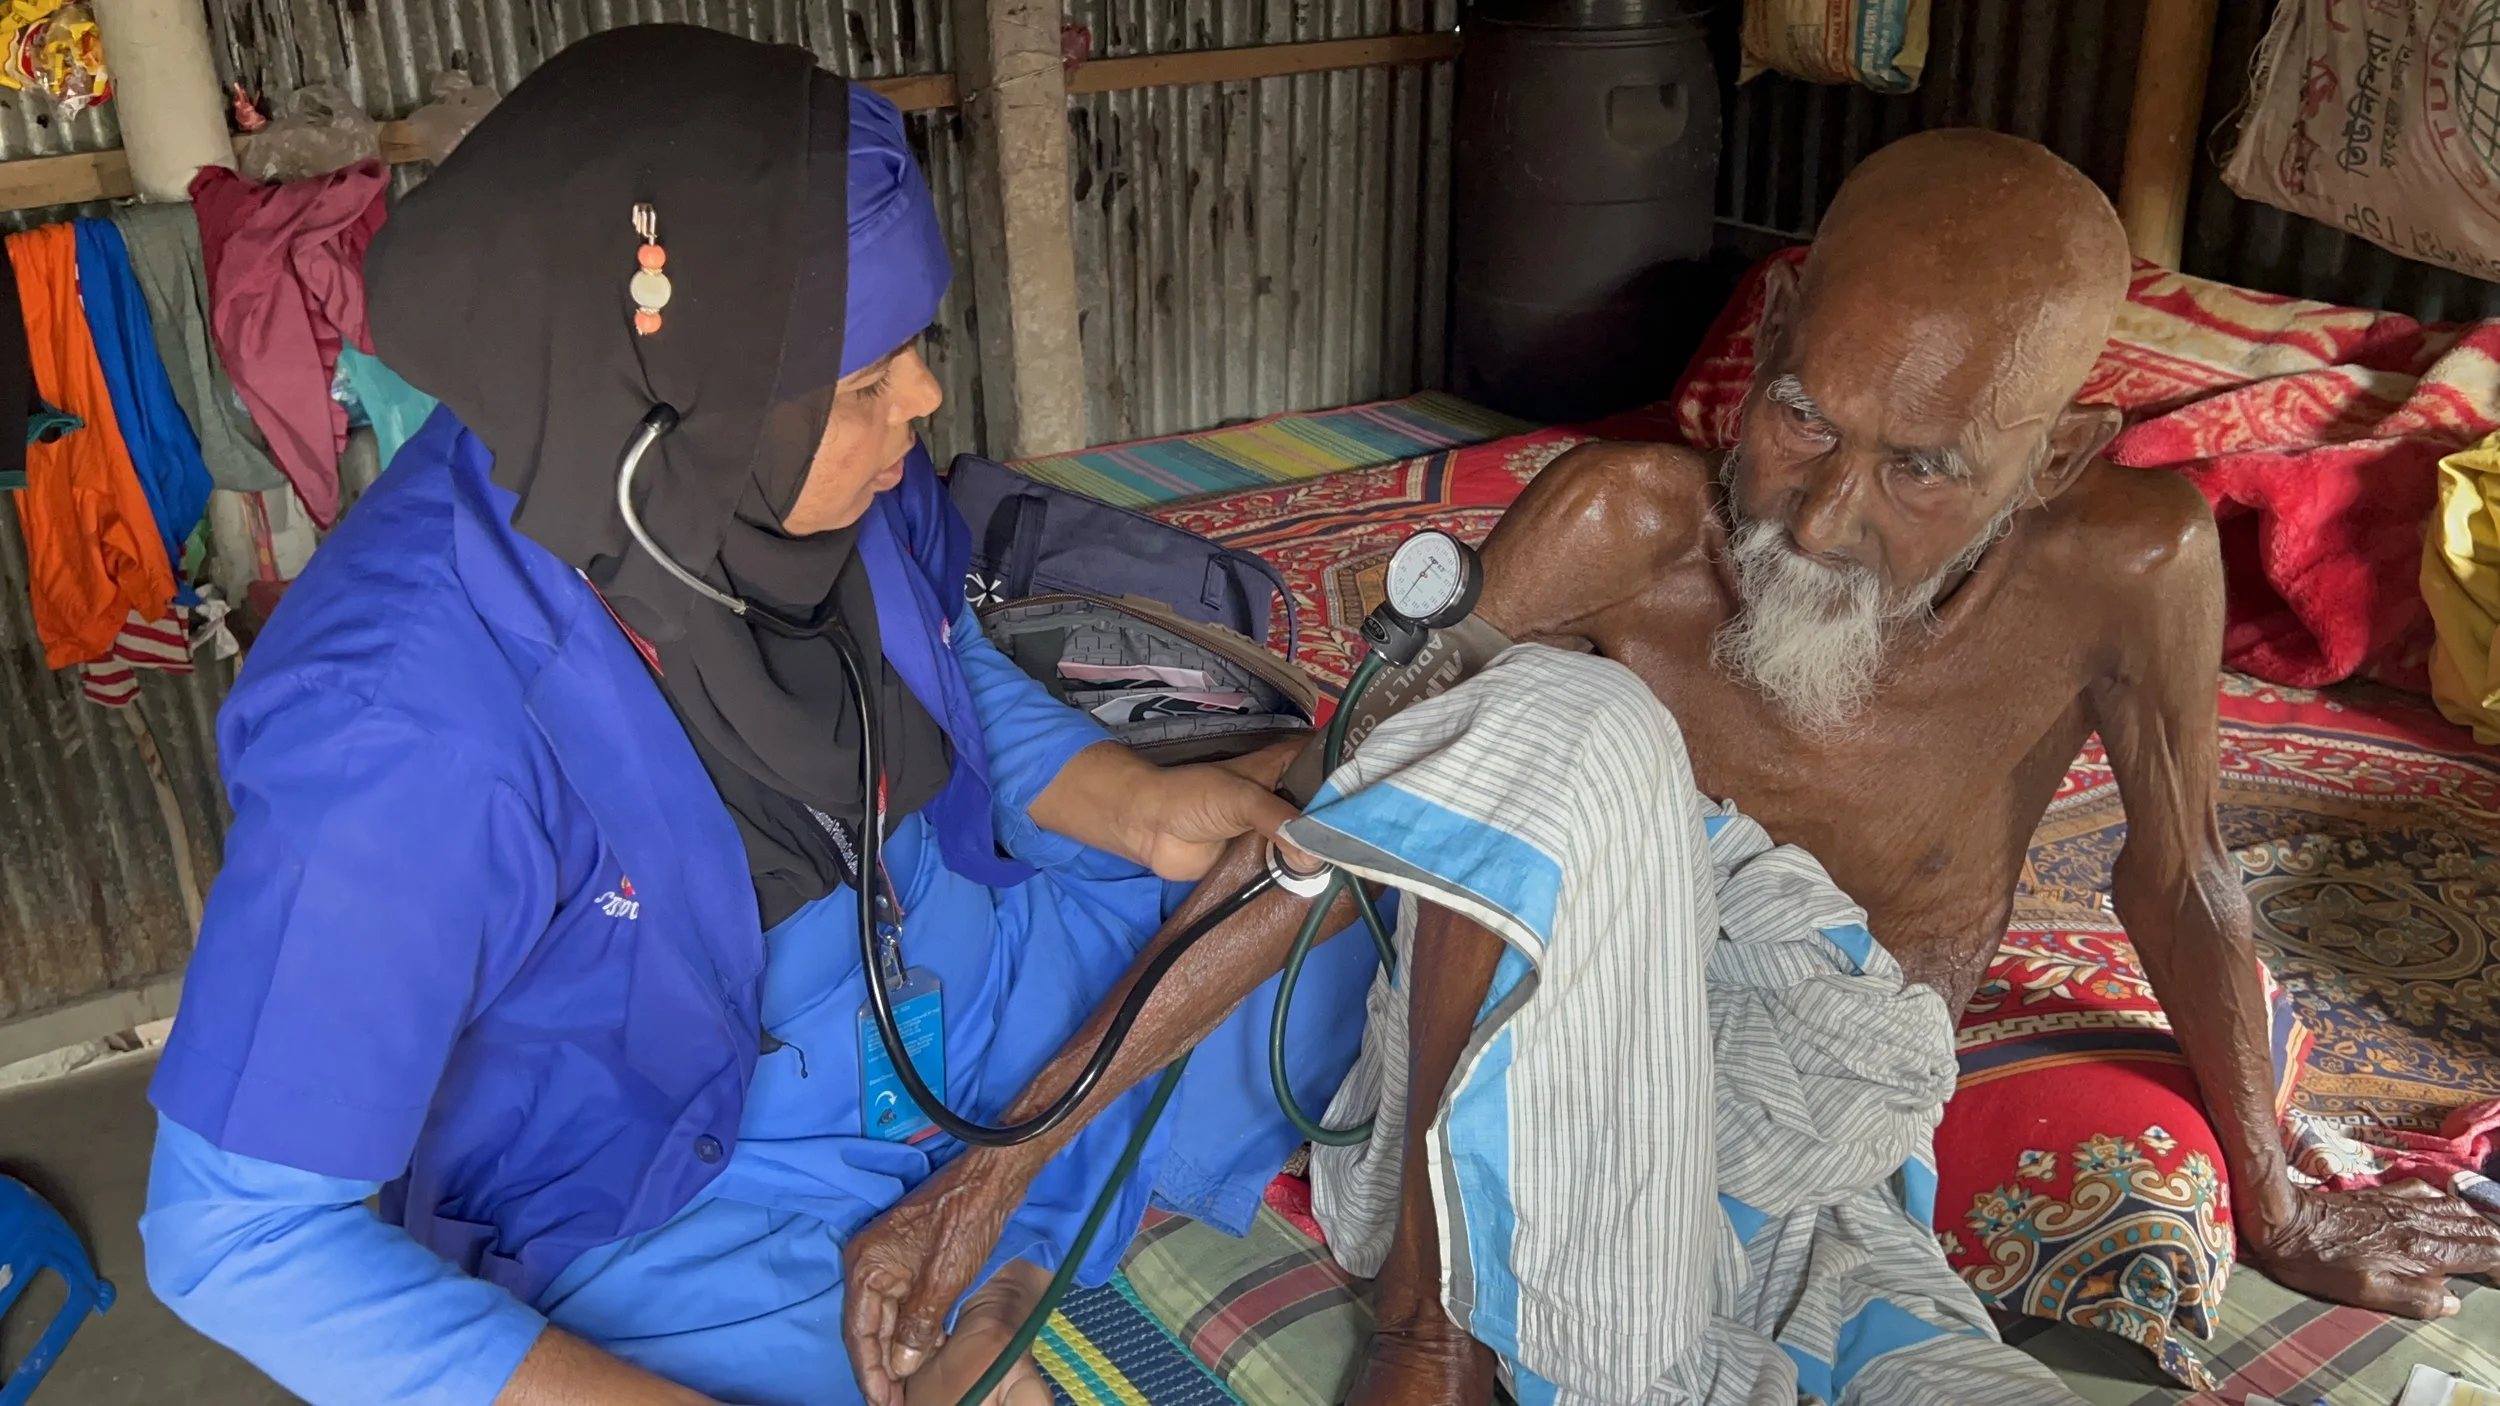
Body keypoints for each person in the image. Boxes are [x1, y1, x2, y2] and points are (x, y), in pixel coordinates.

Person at [833, 130, 2500, 1404]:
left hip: (1839, 1124)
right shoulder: (1623, 526)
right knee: (1548, 729)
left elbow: (2182, 875)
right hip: (1553, 1088)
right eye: (1804, 419)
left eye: (1922, 468)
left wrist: (2281, 1204)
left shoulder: (2132, 564)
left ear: (2053, 455)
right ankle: (1433, 1321)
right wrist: (1002, 1168)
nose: (1824, 517)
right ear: (1766, 348)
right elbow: (1365, 822)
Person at [137, 26, 1377, 1406]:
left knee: (1353, 872)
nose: (925, 399)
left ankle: (1008, 1250)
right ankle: (1014, 1256)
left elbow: (940, 650)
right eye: (867, 384)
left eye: (913, 349)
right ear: (672, 419)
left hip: (977, 975)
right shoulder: (397, 723)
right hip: (706, 1172)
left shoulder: (778, 474)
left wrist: (1127, 803)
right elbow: (237, 1237)